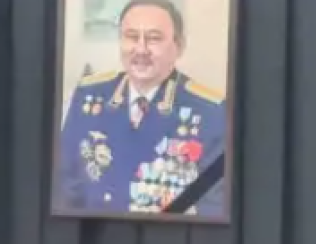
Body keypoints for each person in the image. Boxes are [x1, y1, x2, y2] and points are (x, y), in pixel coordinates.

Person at [52, 0, 229, 218]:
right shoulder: (89, 97)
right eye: (131, 36)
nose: (141, 49)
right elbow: (64, 188)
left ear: (179, 46)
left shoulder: (211, 111)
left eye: (154, 38)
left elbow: (213, 207)